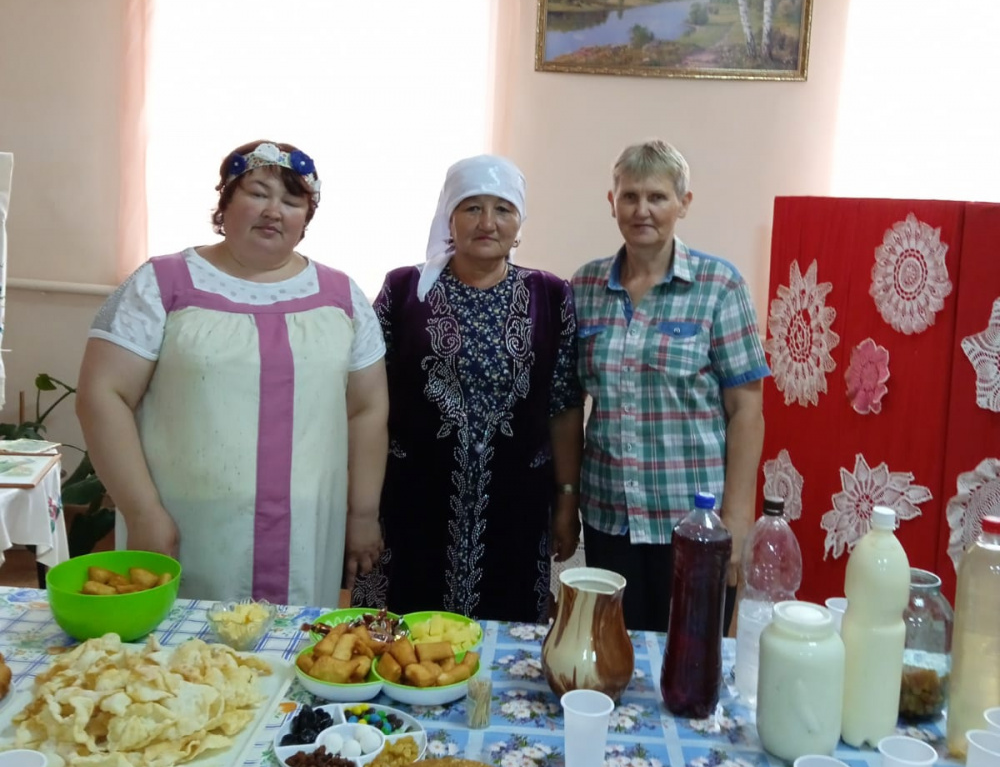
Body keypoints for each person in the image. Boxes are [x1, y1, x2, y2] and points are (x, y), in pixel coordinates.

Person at [76, 140, 388, 607]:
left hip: (305, 535)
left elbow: (367, 409)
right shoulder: (161, 285)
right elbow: (102, 395)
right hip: (185, 527)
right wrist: (143, 513)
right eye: (257, 193)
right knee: (185, 647)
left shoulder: (342, 298)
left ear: (307, 216)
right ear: (225, 202)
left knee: (293, 643)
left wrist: (362, 514)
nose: (273, 211)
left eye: (292, 200)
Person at [354, 154, 584, 623]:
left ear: (519, 224)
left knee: (505, 637)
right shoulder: (404, 290)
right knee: (401, 639)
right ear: (449, 217)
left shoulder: (550, 295)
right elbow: (368, 402)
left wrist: (566, 499)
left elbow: (563, 407)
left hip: (515, 509)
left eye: (503, 209)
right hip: (414, 504)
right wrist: (361, 508)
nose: (487, 223)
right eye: (472, 207)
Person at [572, 139, 768, 633]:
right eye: (630, 196)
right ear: (612, 202)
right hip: (609, 518)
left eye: (657, 197)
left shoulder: (719, 286)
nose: (642, 210)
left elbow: (746, 411)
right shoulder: (584, 287)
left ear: (683, 203)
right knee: (613, 654)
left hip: (694, 523)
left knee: (691, 659)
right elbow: (570, 404)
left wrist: (737, 520)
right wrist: (565, 499)